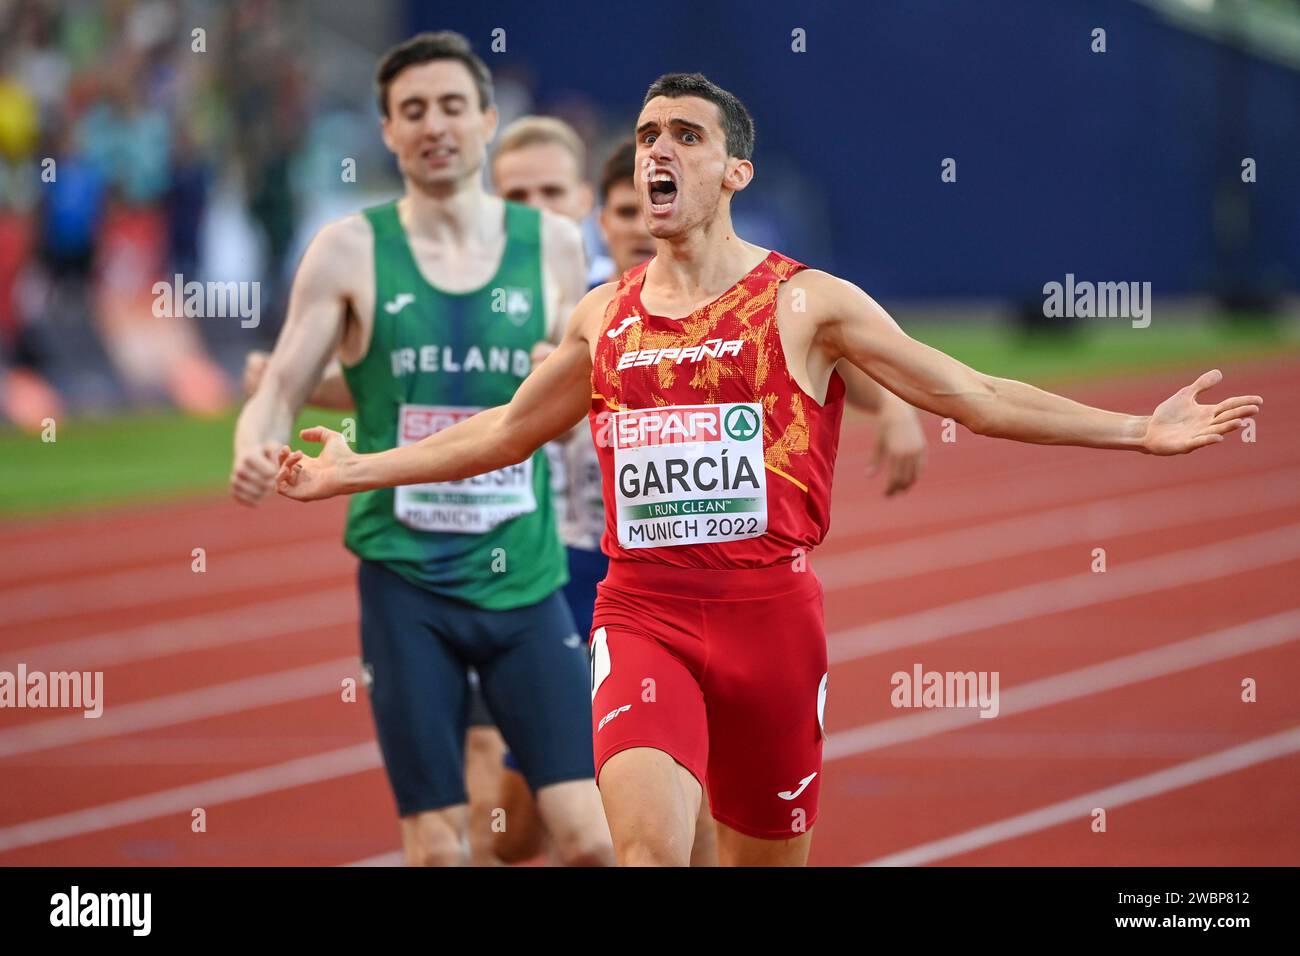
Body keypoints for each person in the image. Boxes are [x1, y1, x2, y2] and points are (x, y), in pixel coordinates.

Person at [272, 73, 1261, 866]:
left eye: (685, 137)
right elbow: (501, 431)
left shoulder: (809, 304)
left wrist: (1135, 431)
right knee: (648, 850)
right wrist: (352, 470)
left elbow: (970, 392)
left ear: (735, 171)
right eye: (649, 134)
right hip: (641, 612)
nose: (657, 149)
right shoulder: (602, 314)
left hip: (771, 626)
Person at [231, 31, 612, 867]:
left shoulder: (551, 245)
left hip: (526, 577)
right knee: (438, 848)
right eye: (412, 111)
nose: (433, 124)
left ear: (486, 120)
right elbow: (283, 380)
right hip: (406, 585)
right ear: (388, 130)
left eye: (450, 106)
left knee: (588, 841)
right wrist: (255, 442)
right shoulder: (348, 249)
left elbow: (576, 387)